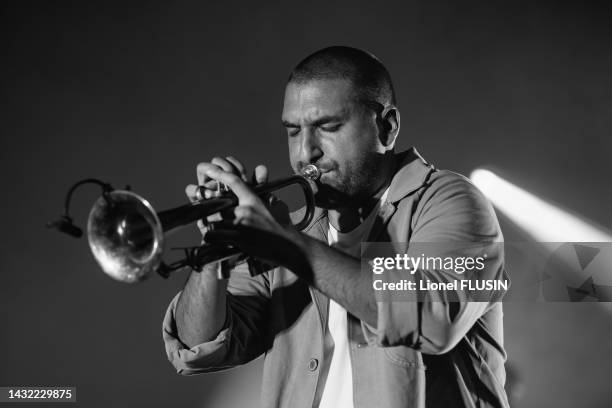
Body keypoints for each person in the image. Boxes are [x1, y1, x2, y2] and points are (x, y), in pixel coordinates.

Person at [162, 46, 509, 408]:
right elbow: (201, 348)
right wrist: (214, 251)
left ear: (386, 127)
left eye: (327, 127)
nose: (305, 152)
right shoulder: (293, 231)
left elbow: (435, 319)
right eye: (293, 131)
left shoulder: (452, 203)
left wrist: (288, 245)